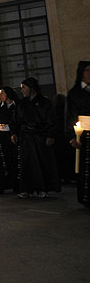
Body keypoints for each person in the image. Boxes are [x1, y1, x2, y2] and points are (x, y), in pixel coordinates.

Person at [14, 77, 60, 198]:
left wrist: (50, 135)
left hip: (40, 137)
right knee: (26, 164)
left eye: (24, 87)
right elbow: (16, 120)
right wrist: (14, 133)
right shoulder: (22, 103)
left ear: (31, 88)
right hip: (26, 138)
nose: (22, 90)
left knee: (41, 163)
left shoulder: (45, 102)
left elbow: (51, 120)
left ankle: (42, 188)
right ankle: (26, 189)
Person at [66, 61, 90, 207]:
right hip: (82, 134)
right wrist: (71, 136)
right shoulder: (74, 93)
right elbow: (70, 116)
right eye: (88, 70)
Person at [0, 87, 19, 194]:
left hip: (11, 136)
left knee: (13, 159)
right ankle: (1, 185)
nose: (1, 96)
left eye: (2, 93)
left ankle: (15, 184)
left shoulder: (16, 107)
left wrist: (14, 132)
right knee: (0, 160)